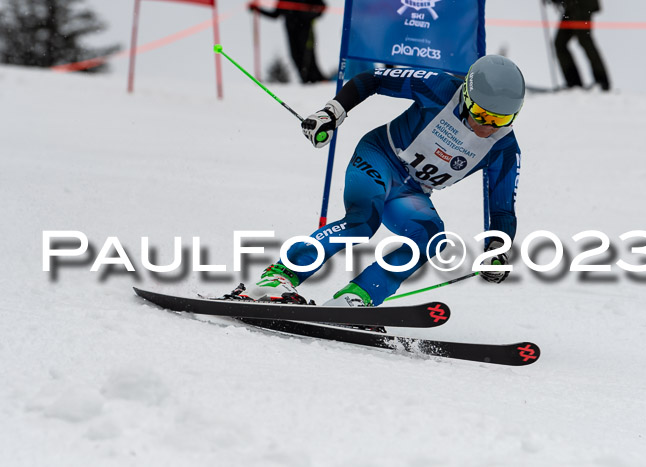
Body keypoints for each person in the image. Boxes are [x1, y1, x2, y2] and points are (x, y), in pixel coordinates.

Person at [243, 55, 525, 310]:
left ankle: (358, 297)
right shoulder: (439, 89)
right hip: (379, 156)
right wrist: (332, 113)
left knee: (429, 237)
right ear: (466, 94)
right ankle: (279, 276)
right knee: (362, 222)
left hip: (412, 191)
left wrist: (497, 250)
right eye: (480, 114)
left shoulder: (504, 149)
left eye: (500, 119)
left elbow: (502, 210)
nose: (486, 126)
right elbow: (373, 79)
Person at [248, 0, 327, 84]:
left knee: (307, 56)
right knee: (295, 56)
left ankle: (318, 80)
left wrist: (310, 15)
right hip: (291, 32)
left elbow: (322, 6)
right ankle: (306, 81)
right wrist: (258, 9)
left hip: (306, 30)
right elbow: (275, 14)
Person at [551, 0, 610, 90]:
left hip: (582, 4)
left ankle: (601, 81)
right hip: (573, 5)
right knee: (560, 43)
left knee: (584, 39)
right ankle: (574, 83)